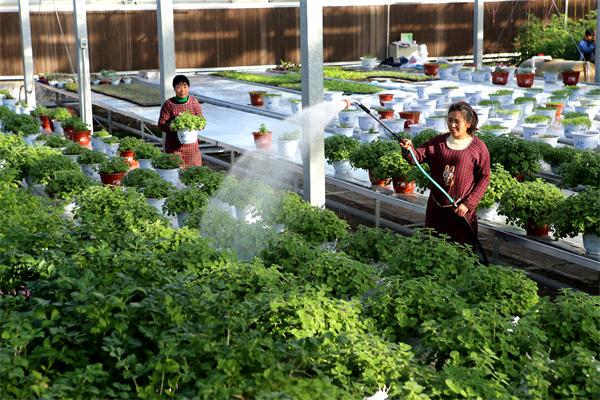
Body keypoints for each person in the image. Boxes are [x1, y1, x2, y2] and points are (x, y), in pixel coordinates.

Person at [399, 101, 490, 245]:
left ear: (468, 123)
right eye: (450, 120)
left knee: (462, 252)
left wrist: (468, 204)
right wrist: (408, 149)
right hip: (437, 210)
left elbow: (484, 178)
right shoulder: (438, 143)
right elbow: (416, 157)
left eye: (457, 121)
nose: (452, 125)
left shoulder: (478, 148)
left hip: (460, 212)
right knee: (434, 249)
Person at [158, 75, 204, 167]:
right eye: (179, 87)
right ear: (174, 88)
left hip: (192, 148)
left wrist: (198, 125)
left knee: (194, 174)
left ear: (188, 88)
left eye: (185, 87)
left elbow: (202, 120)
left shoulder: (194, 102)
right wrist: (173, 126)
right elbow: (161, 124)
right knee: (175, 174)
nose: (182, 90)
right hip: (174, 148)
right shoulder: (169, 104)